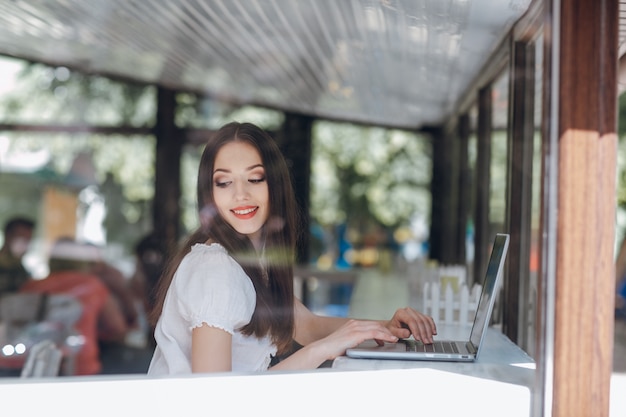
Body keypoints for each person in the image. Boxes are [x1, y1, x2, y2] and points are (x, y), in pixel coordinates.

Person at [147, 122, 437, 375]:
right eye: (224, 182)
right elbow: (213, 400)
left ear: (275, 184)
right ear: (209, 193)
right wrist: (323, 350)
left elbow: (307, 326)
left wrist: (386, 327)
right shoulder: (216, 269)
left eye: (255, 178)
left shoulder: (250, 260)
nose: (240, 195)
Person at [20, 238, 129, 375]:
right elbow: (117, 328)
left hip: (31, 365)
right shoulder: (92, 285)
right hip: (79, 365)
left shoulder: (31, 286)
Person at [0, 217, 35, 295]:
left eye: (28, 240)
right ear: (8, 236)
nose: (25, 245)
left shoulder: (21, 270)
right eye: (22, 239)